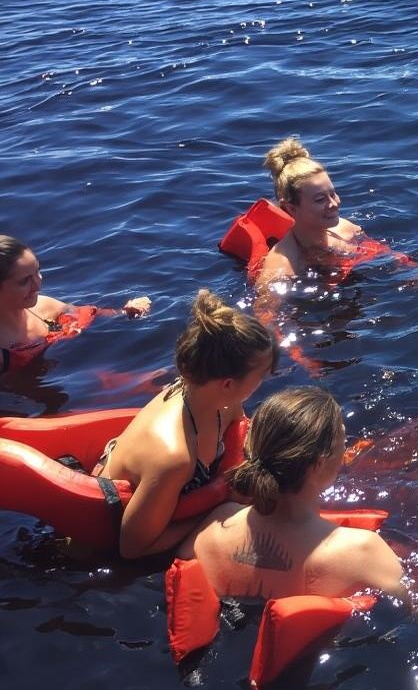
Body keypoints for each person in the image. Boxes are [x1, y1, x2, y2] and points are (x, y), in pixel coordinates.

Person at [178, 386, 407, 602]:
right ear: (319, 464)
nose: (345, 449)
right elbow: (413, 611)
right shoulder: (364, 552)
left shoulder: (213, 528)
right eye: (343, 442)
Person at [93, 290, 277, 558]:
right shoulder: (174, 457)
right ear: (228, 384)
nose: (265, 381)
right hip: (120, 547)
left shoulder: (218, 401)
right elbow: (132, 549)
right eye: (261, 376)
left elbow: (240, 435)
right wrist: (218, 511)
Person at [0, 234, 151, 375]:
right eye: (24, 281)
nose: (37, 285)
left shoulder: (43, 307)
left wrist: (127, 312)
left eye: (37, 271)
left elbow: (92, 314)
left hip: (82, 371)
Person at [257, 136, 375, 285]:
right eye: (320, 199)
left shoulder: (347, 230)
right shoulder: (282, 266)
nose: (334, 203)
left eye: (333, 194)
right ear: (291, 208)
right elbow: (266, 301)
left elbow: (389, 257)